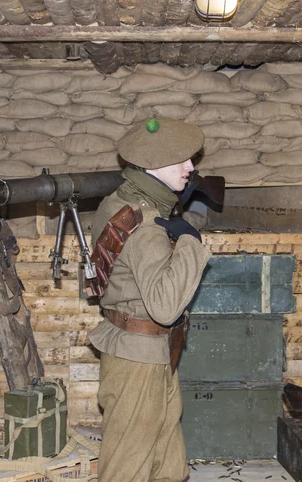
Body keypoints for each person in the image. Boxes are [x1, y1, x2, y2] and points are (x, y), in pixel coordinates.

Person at [88, 118, 211, 481]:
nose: (191, 167)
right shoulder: (147, 225)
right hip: (139, 358)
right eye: (182, 161)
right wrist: (190, 241)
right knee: (127, 466)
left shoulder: (120, 201)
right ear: (154, 165)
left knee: (166, 461)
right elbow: (165, 306)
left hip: (143, 351)